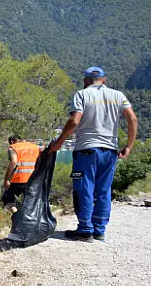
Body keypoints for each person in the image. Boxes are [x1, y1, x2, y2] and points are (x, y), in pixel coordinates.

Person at [49, 67, 137, 242]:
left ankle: (85, 230)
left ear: (86, 81)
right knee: (104, 190)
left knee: (84, 188)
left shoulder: (82, 95)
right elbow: (132, 118)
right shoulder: (118, 96)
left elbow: (74, 121)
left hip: (86, 151)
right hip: (110, 151)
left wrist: (59, 143)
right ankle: (99, 230)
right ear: (103, 80)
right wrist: (129, 146)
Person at [2, 135, 41, 213]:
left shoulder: (13, 147)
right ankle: (30, 219)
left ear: (12, 141)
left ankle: (16, 217)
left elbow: (14, 162)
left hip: (19, 179)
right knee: (30, 201)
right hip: (33, 179)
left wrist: (7, 180)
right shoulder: (35, 147)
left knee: (7, 198)